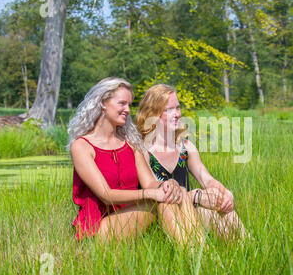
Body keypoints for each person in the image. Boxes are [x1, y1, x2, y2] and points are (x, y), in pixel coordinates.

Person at [67, 77, 202, 244]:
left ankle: (200, 252)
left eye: (129, 105)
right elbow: (106, 195)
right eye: (122, 103)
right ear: (102, 103)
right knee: (159, 200)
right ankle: (194, 255)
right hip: (98, 227)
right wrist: (152, 193)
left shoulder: (130, 143)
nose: (127, 110)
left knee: (177, 191)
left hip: (132, 215)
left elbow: (150, 183)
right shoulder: (81, 146)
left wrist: (166, 185)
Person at [135, 84, 247, 240]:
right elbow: (156, 195)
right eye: (168, 110)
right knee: (205, 210)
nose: (177, 114)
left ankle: (247, 244)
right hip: (163, 216)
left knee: (219, 203)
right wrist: (194, 196)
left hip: (189, 211)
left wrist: (223, 193)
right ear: (152, 113)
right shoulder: (142, 150)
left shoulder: (185, 147)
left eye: (178, 108)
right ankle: (230, 249)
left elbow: (205, 178)